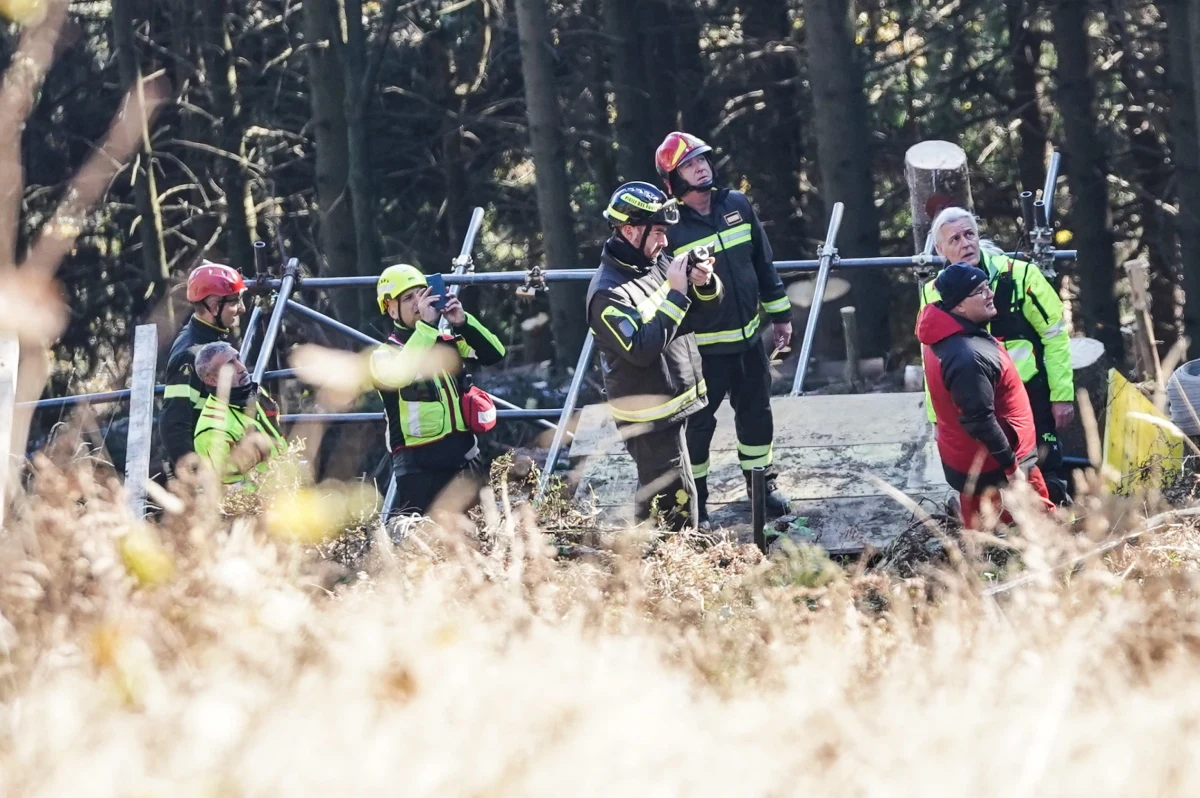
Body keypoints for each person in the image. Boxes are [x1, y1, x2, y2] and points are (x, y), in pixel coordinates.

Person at [654, 131, 793, 526]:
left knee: (756, 416)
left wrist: (780, 316)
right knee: (698, 427)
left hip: (750, 342)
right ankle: (695, 501)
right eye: (690, 164)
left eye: (703, 160)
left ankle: (761, 487)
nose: (701, 167)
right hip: (701, 351)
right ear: (674, 177)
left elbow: (763, 265)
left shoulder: (736, 204)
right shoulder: (669, 225)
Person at [586, 181, 723, 531]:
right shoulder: (607, 293)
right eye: (658, 232)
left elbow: (702, 316)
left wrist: (703, 283)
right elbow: (641, 349)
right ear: (630, 230)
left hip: (675, 404)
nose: (665, 241)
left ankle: (652, 566)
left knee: (669, 497)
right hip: (648, 417)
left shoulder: (655, 262)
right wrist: (677, 294)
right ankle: (665, 567)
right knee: (673, 507)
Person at [919, 206, 1074, 504]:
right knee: (991, 477)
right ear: (940, 249)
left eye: (969, 234)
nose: (965, 243)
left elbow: (1055, 336)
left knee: (1043, 469)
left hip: (1030, 394)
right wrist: (935, 417)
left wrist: (1061, 396)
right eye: (954, 239)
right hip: (975, 398)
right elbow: (930, 359)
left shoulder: (1020, 275)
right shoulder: (933, 292)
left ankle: (1056, 528)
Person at [916, 263, 1055, 527]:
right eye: (979, 291)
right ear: (959, 306)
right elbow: (980, 420)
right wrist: (1012, 469)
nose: (989, 293)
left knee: (980, 537)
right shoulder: (967, 356)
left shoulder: (947, 333)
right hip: (997, 467)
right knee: (1034, 532)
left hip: (972, 461)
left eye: (986, 286)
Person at [370, 263, 506, 517]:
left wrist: (463, 322)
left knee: (481, 542)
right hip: (419, 469)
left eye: (423, 294)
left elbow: (495, 353)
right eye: (409, 298)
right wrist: (428, 328)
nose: (418, 303)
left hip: (467, 459)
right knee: (425, 548)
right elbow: (399, 375)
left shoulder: (447, 340)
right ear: (391, 309)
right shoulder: (383, 356)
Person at [160, 261, 246, 474]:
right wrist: (196, 479)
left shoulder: (212, 338)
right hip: (207, 473)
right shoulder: (191, 354)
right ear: (215, 306)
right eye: (235, 302)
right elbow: (174, 425)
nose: (242, 309)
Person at [192, 342, 285, 489]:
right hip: (264, 505)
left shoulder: (254, 393)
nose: (242, 368)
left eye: (238, 358)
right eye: (230, 366)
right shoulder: (212, 429)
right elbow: (231, 492)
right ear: (211, 380)